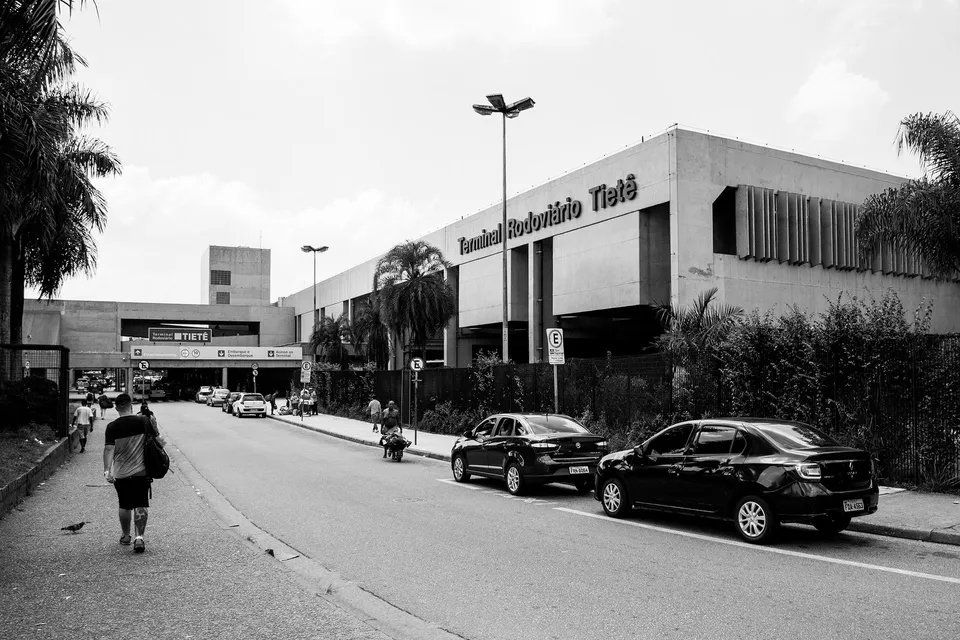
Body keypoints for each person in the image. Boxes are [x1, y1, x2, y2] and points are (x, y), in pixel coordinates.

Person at [103, 393, 166, 554]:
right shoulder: (143, 421)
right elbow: (159, 440)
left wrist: (107, 470)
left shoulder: (112, 427)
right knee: (141, 503)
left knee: (124, 504)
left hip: (121, 473)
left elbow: (109, 449)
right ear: (131, 405)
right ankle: (139, 538)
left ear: (116, 408)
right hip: (141, 471)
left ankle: (126, 536)